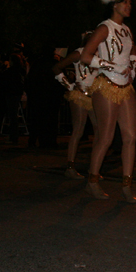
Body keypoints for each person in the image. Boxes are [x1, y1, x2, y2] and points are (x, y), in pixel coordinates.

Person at [80, 0, 136, 203]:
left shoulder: (127, 30)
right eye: (125, 2)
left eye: (130, 3)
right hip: (105, 85)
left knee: (130, 137)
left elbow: (132, 54)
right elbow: (86, 56)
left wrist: (131, 69)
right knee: (105, 137)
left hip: (125, 87)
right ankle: (92, 182)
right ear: (114, 5)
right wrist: (111, 66)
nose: (128, 6)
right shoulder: (104, 27)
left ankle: (126, 185)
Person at [53, 32, 98, 178]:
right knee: (78, 129)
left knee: (100, 131)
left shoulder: (98, 56)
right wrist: (70, 86)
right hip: (79, 95)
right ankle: (70, 167)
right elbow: (57, 68)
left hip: (94, 96)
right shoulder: (79, 53)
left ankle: (94, 168)